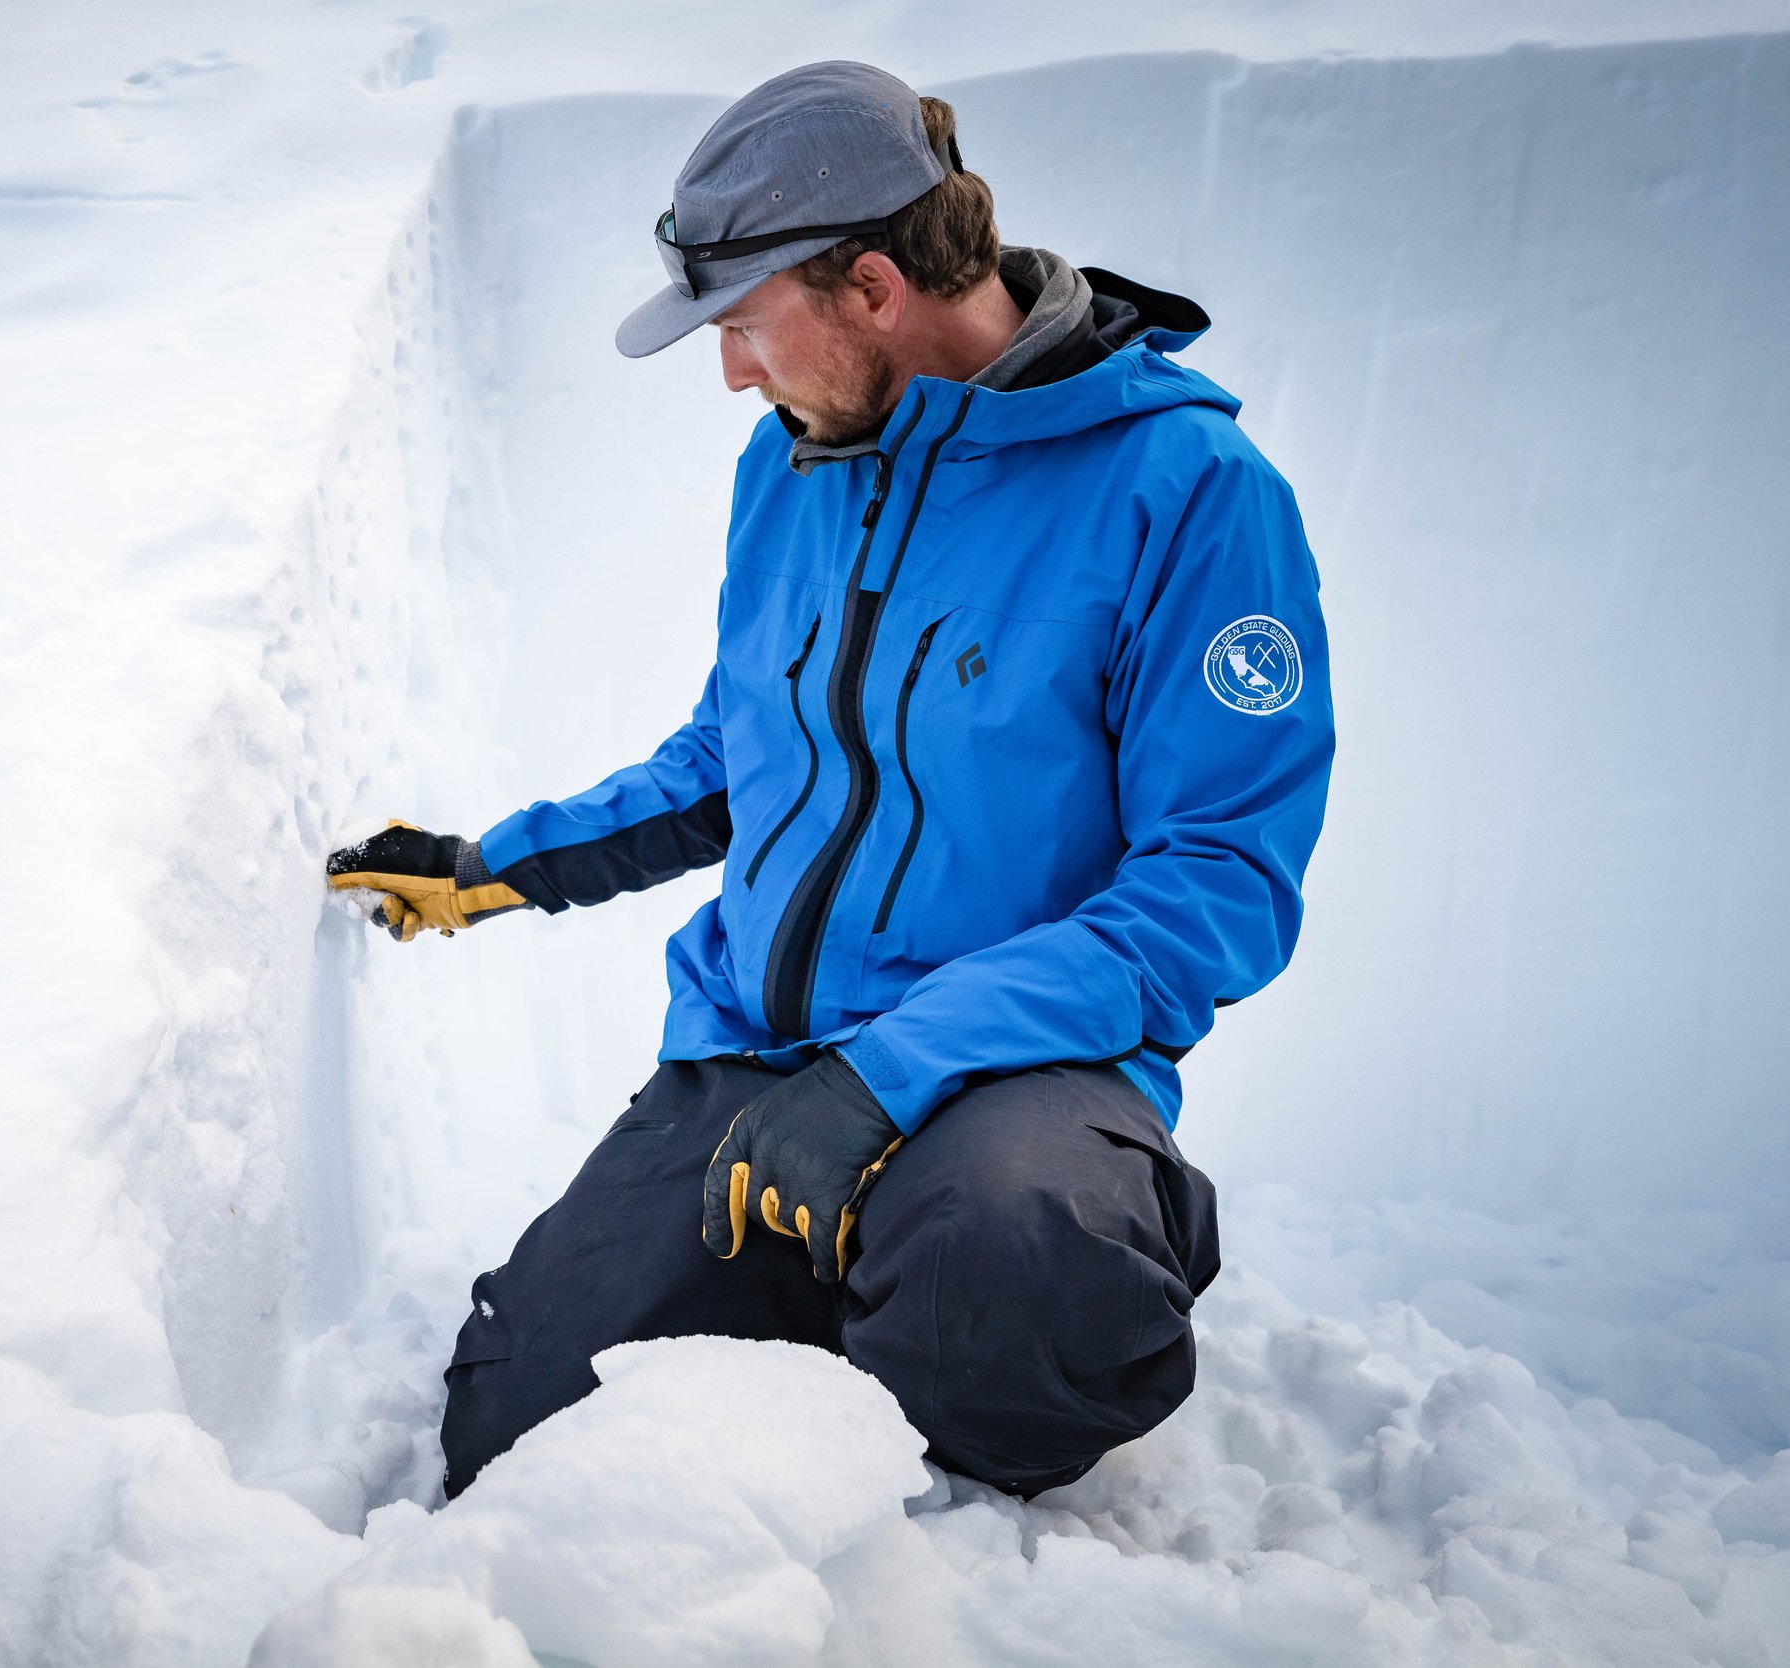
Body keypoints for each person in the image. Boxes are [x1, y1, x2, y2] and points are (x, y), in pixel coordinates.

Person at [326, 61, 1333, 1499]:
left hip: (1011, 1079)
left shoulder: (1186, 491)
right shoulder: (796, 460)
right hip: (756, 1056)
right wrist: (505, 863)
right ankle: (835, 1301)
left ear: (871, 286)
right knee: (519, 1438)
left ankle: (927, 1400)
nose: (733, 373)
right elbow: (743, 758)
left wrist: (889, 1077)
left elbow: (1216, 881)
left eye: (742, 325)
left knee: (1023, 1278)